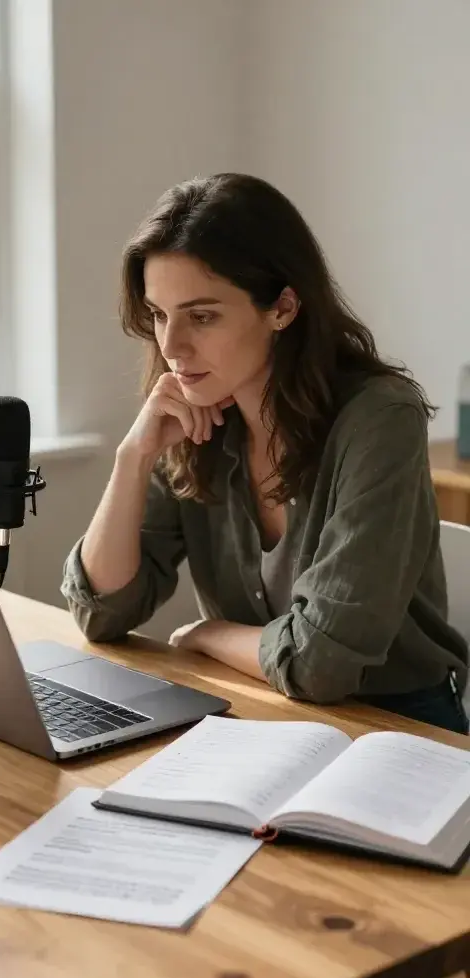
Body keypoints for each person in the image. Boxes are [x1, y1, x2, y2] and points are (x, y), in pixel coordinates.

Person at [61, 172, 469, 734]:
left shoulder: (379, 420)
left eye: (201, 316)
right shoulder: (191, 411)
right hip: (256, 710)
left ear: (282, 307)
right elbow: (100, 612)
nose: (172, 347)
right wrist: (133, 456)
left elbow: (321, 665)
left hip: (396, 727)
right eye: (159, 315)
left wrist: (207, 634)